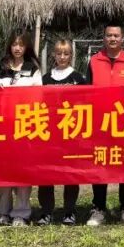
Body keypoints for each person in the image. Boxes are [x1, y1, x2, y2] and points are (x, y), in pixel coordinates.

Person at [85, 22, 124, 226]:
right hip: (100, 122)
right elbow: (86, 93)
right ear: (104, 38)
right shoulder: (94, 61)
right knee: (100, 163)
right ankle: (98, 208)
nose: (112, 38)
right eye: (109, 35)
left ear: (122, 38)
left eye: (116, 35)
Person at [0, 34, 42, 226]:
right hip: (2, 126)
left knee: (23, 170)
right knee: (3, 170)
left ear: (26, 47)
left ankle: (21, 212)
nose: (17, 48)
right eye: (14, 44)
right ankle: (3, 211)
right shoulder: (0, 68)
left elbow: (38, 97)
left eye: (21, 45)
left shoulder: (33, 70)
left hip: (25, 125)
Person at [37, 38, 86, 226]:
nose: (62, 57)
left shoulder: (78, 78)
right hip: (49, 133)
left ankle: (69, 211)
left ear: (71, 55)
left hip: (71, 133)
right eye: (59, 53)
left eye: (66, 53)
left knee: (70, 173)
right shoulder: (45, 79)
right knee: (45, 173)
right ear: (53, 55)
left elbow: (86, 104)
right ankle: (46, 212)